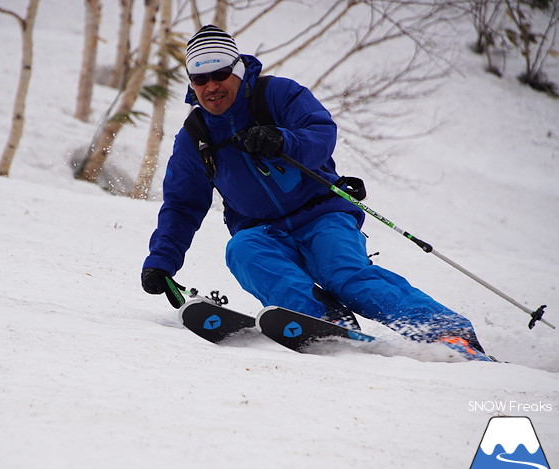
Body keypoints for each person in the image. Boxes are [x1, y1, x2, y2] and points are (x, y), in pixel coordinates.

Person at [141, 25, 490, 360]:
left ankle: (446, 331)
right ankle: (326, 321)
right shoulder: (195, 138)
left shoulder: (276, 94)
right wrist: (162, 261)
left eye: (219, 74)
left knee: (344, 276)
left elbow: (321, 133)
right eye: (200, 79)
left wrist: (284, 140)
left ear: (237, 69)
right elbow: (182, 205)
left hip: (323, 214)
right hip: (261, 231)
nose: (211, 86)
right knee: (242, 250)